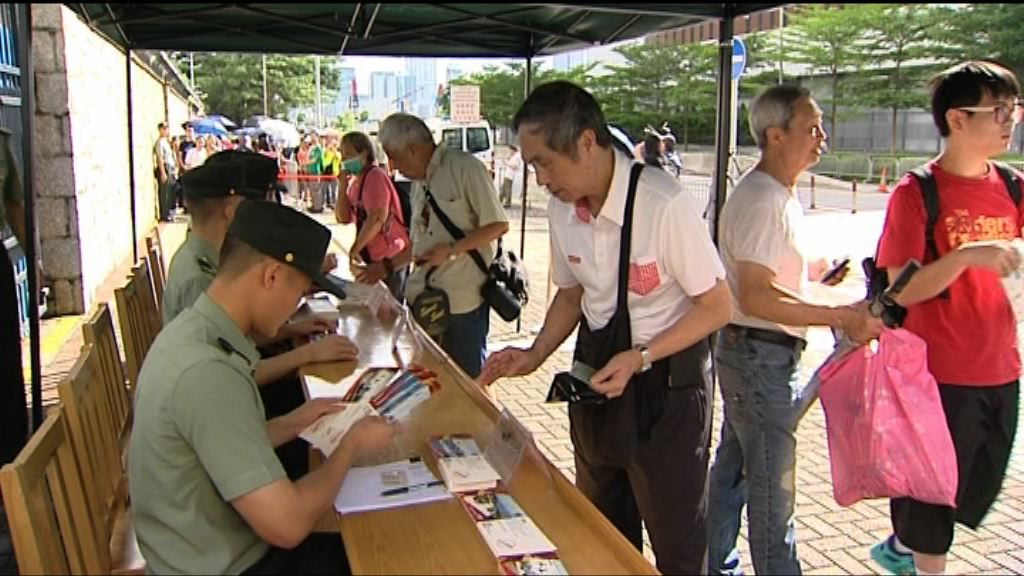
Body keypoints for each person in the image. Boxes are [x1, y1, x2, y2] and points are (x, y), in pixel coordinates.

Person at [480, 81, 733, 575]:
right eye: (532, 166)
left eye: (544, 163)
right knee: (601, 529)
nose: (540, 179)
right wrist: (534, 354)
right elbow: (571, 293)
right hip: (597, 382)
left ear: (586, 143)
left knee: (678, 544)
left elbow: (717, 306)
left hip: (667, 389)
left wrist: (642, 356)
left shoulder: (662, 203)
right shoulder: (562, 209)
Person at [129, 199, 399, 575]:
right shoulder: (206, 373)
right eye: (298, 292)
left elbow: (223, 442)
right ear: (271, 276)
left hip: (203, 550)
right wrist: (351, 445)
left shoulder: (192, 334)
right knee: (386, 551)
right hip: (230, 565)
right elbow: (288, 525)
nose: (295, 306)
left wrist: (296, 421)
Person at [707, 84, 884, 576]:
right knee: (772, 490)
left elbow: (766, 278)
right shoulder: (764, 199)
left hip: (753, 354)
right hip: (759, 357)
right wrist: (842, 316)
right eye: (811, 127)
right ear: (775, 135)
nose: (822, 137)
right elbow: (757, 296)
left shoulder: (774, 195)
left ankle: (712, 564)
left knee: (735, 473)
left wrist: (812, 276)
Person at [869, 60, 1024, 576]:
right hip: (936, 375)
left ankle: (903, 544)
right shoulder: (917, 193)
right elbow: (903, 288)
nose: (1010, 120)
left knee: (974, 487)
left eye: (1014, 109)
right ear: (957, 119)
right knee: (932, 496)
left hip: (1001, 367)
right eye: (998, 110)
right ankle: (919, 554)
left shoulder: (1014, 188)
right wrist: (964, 257)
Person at [376, 113, 509, 378]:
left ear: (413, 149)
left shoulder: (465, 168)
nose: (393, 166)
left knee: (469, 379)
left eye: (395, 157)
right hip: (423, 298)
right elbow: (419, 242)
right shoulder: (419, 182)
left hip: (462, 301)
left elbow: (498, 225)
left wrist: (451, 250)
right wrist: (387, 266)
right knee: (430, 377)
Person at [333, 131, 411, 302]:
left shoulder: (375, 177)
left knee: (389, 308)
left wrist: (355, 249)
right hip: (371, 257)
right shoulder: (355, 183)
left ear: (364, 154)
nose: (344, 159)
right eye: (342, 154)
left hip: (389, 256)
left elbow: (377, 218)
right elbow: (343, 218)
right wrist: (342, 187)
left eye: (348, 154)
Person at [154, 122, 178, 222]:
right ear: (160, 130)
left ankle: (170, 213)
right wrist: (163, 172)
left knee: (171, 192)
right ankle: (165, 214)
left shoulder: (166, 142)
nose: (166, 130)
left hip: (170, 167)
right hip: (165, 167)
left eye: (167, 128)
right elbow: (160, 158)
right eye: (164, 128)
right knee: (165, 193)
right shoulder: (159, 142)